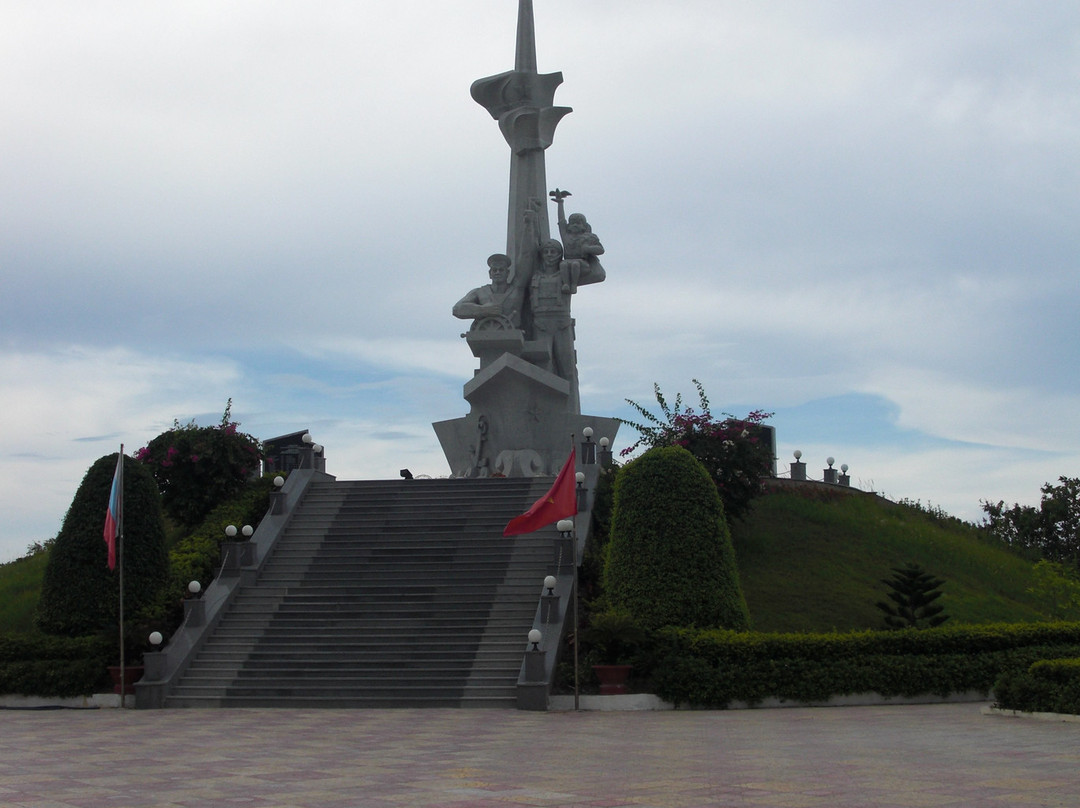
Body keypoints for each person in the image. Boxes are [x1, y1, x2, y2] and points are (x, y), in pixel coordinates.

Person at [452, 253, 523, 329]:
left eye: (501, 270)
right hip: (484, 337)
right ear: (490, 273)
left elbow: (526, 256)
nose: (497, 272)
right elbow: (457, 309)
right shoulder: (479, 292)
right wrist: (483, 310)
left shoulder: (517, 291)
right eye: (494, 270)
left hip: (513, 337)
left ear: (507, 273)